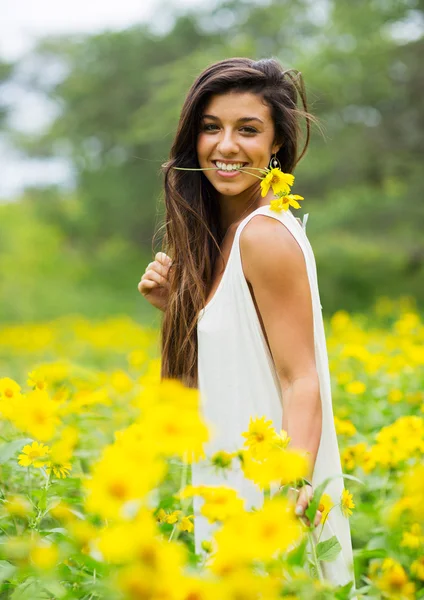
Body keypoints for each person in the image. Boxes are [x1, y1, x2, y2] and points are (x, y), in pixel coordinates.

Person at [138, 57, 355, 588]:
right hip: (229, 484)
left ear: (277, 143)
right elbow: (201, 390)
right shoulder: (219, 240)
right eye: (211, 127)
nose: (225, 146)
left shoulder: (264, 235)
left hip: (268, 494)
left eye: (248, 129)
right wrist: (179, 310)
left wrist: (292, 482)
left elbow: (301, 376)